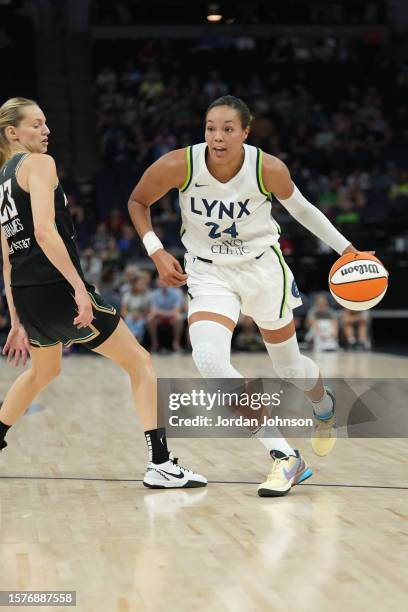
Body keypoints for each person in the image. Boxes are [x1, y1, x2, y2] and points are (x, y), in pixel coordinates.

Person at [128, 95, 371, 497]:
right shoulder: (180, 163)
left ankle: (323, 402)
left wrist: (348, 250)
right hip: (208, 272)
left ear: (245, 132)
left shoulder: (268, 168)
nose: (217, 137)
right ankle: (284, 456)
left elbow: (304, 210)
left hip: (262, 270)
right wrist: (156, 250)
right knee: (208, 358)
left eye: (227, 129)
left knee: (290, 367)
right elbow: (138, 201)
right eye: (210, 128)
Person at [0, 97, 206, 489]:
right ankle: (161, 463)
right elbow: (44, 231)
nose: (46, 131)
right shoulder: (38, 164)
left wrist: (15, 318)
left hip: (29, 296)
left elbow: (9, 257)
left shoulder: (1, 182)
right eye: (36, 124)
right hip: (58, 287)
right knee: (140, 362)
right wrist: (79, 288)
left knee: (45, 370)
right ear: (13, 133)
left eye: (46, 124)